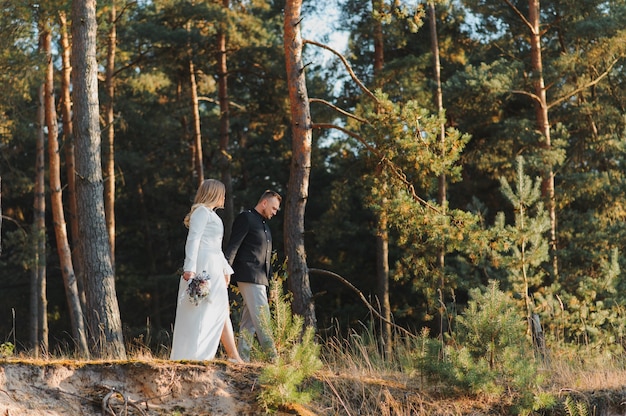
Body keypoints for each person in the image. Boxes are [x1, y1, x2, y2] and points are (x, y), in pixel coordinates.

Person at [170, 179, 244, 363]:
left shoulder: (211, 215)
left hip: (215, 267)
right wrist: (190, 269)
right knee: (200, 310)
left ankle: (234, 356)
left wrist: (226, 269)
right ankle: (194, 355)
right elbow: (193, 240)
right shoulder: (201, 212)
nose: (225, 197)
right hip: (203, 268)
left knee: (221, 310)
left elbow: (216, 248)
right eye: (222, 194)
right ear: (214, 194)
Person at [224, 190, 281, 362]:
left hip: (260, 279)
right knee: (263, 319)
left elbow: (266, 258)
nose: (275, 212)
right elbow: (233, 245)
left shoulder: (265, 225)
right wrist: (225, 268)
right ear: (264, 203)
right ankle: (274, 361)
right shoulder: (246, 218)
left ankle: (240, 358)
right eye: (273, 208)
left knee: (248, 323)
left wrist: (270, 283)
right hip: (248, 275)